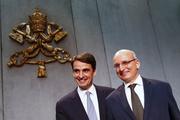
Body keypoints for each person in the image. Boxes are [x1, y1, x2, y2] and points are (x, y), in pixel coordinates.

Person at [106, 49, 180, 120]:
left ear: (137, 63)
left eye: (125, 62)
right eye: (117, 65)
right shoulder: (111, 100)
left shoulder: (162, 88)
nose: (121, 68)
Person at [56, 52, 114, 120]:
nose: (81, 76)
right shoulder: (63, 105)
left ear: (94, 72)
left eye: (85, 70)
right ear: (73, 73)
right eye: (76, 71)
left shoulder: (111, 95)